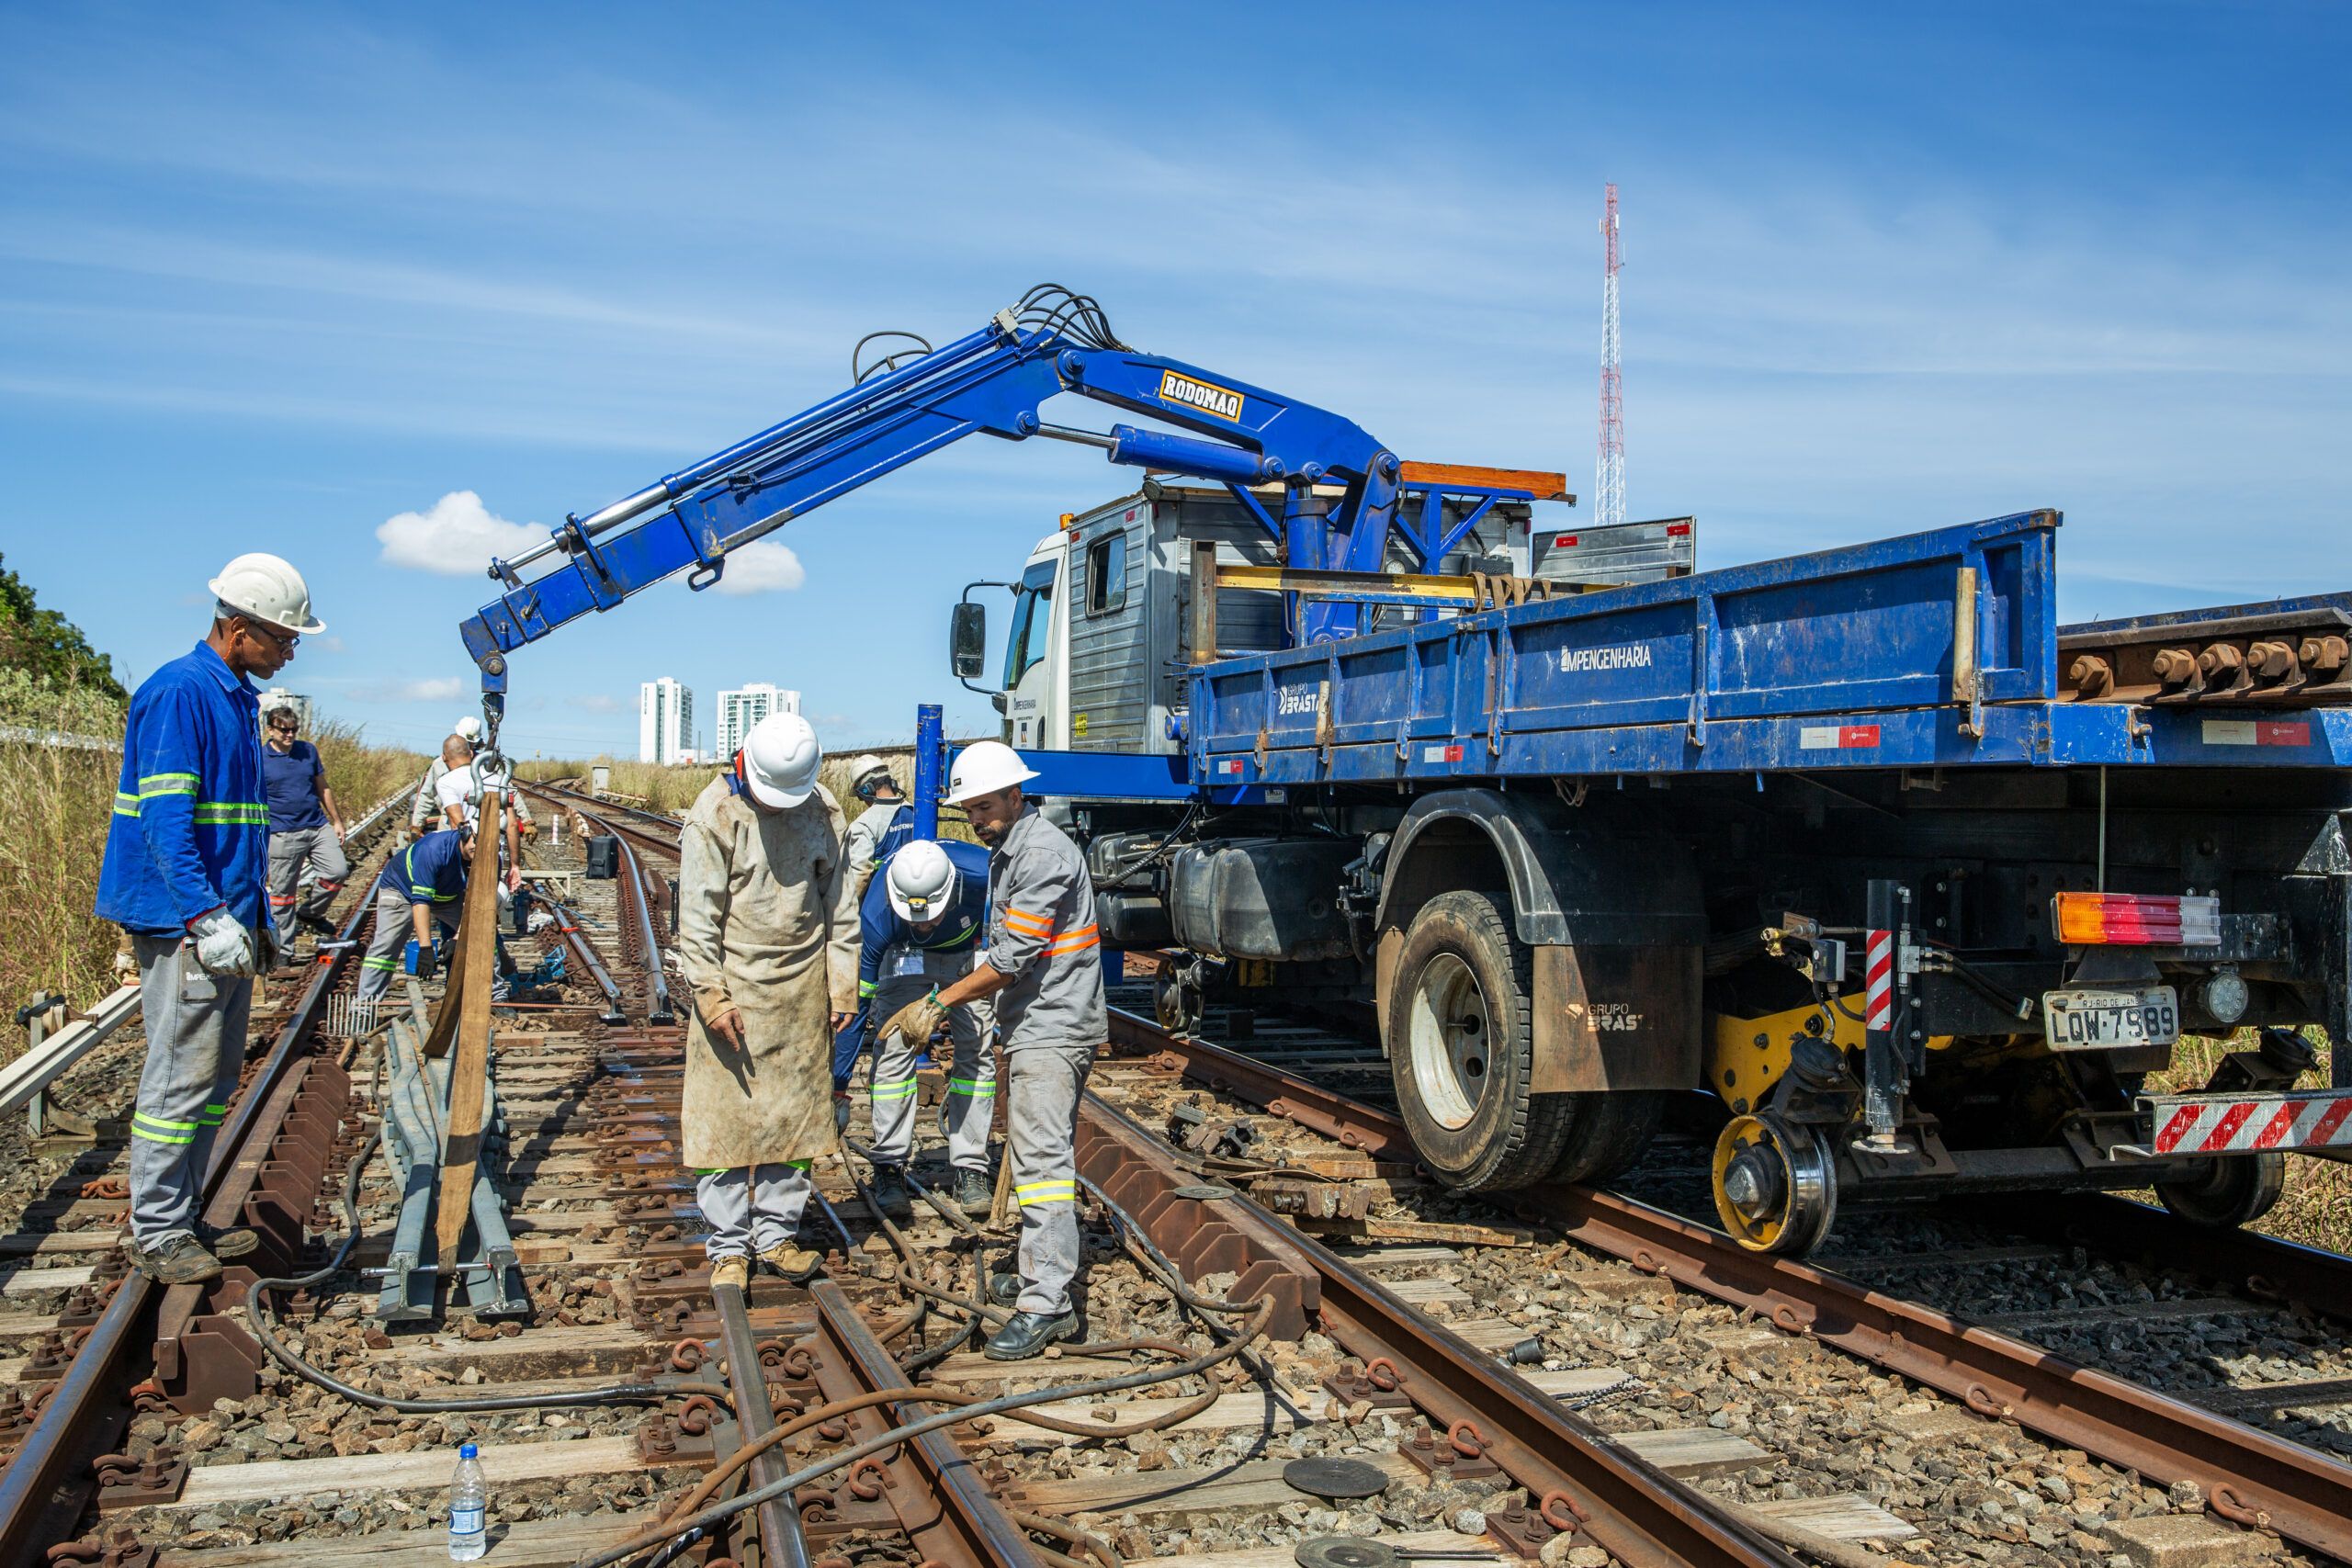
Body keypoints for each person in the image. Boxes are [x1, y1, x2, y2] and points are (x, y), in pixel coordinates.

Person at [96, 552, 322, 1283]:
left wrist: (255, 919)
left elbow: (238, 823)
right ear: (237, 628)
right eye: (282, 636)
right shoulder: (180, 692)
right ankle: (158, 1228)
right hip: (184, 920)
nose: (290, 649)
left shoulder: (232, 696)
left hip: (224, 917)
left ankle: (184, 1213)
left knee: (213, 1075)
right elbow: (166, 821)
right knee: (178, 1077)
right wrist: (205, 916)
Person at [882, 740, 1103, 1359]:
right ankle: (1040, 1272)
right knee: (1036, 1160)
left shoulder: (1040, 856)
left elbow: (1010, 958)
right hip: (1037, 1021)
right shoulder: (1012, 850)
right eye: (970, 810)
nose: (977, 820)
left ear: (1016, 794)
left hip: (1053, 1027)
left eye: (986, 806)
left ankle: (1048, 1303)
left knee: (1042, 1170)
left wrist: (937, 1002)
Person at [675, 714, 860, 1292]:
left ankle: (777, 1233)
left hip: (802, 989)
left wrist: (843, 983)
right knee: (724, 1122)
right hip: (734, 987)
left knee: (796, 1120)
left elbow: (842, 906)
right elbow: (697, 921)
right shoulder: (715, 814)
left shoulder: (824, 810)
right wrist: (711, 996)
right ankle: (729, 1245)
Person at [857, 838, 996, 1216]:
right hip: (903, 960)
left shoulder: (984, 872)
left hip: (966, 958)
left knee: (979, 1054)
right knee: (892, 1050)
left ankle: (971, 1166)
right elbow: (860, 1003)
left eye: (931, 914)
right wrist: (838, 1083)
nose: (923, 924)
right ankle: (888, 1164)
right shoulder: (878, 913)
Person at [357, 821, 476, 1003]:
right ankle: (364, 1006)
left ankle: (493, 996)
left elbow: (479, 906)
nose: (477, 851)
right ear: (464, 835)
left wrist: (458, 937)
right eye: (474, 844)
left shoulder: (490, 858)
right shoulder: (433, 850)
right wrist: (426, 948)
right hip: (402, 888)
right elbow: (420, 902)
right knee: (386, 945)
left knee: (482, 935)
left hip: (448, 895)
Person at [261, 703, 346, 938]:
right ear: (270, 730)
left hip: (317, 826)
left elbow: (323, 787)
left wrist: (336, 821)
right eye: (284, 730)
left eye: (294, 730)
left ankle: (311, 913)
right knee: (283, 897)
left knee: (337, 872)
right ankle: (283, 949)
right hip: (282, 833)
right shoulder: (259, 758)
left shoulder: (308, 751)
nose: (290, 735)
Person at [842, 755, 910, 898]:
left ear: (866, 790)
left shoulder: (864, 825)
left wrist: (847, 909)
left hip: (880, 903)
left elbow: (861, 875)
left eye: (860, 796)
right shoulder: (915, 812)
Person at [409, 715, 483, 838]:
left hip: (481, 822)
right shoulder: (438, 765)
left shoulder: (484, 764)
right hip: (448, 824)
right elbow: (427, 795)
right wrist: (416, 825)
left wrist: (526, 819)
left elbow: (507, 791)